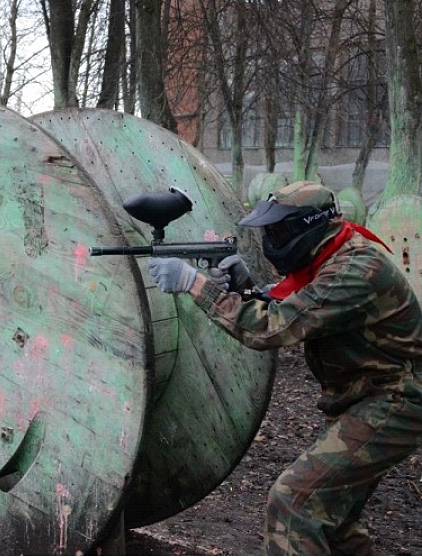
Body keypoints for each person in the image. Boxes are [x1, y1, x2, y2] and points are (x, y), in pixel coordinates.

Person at [148, 180, 422, 555]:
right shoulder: (333, 256)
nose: (272, 240)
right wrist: (247, 287)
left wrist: (194, 284)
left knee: (293, 503)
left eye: (278, 230)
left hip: (397, 401)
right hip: (371, 399)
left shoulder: (356, 269)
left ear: (306, 227)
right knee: (333, 522)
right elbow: (291, 302)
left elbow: (270, 328)